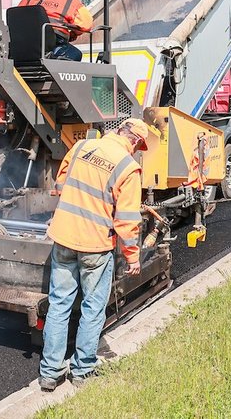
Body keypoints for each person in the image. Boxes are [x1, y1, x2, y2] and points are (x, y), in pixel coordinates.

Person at [38, 118, 148, 391]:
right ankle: (82, 370)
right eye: (139, 146)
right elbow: (127, 219)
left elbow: (60, 185)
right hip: (95, 246)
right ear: (133, 141)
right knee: (92, 307)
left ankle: (50, 373)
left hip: (63, 237)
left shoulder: (81, 147)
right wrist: (132, 256)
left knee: (59, 304)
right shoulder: (128, 168)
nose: (137, 151)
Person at [17, 0, 93, 61]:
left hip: (25, 42)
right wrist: (73, 33)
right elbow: (86, 24)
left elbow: (17, 16)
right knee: (75, 54)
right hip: (53, 41)